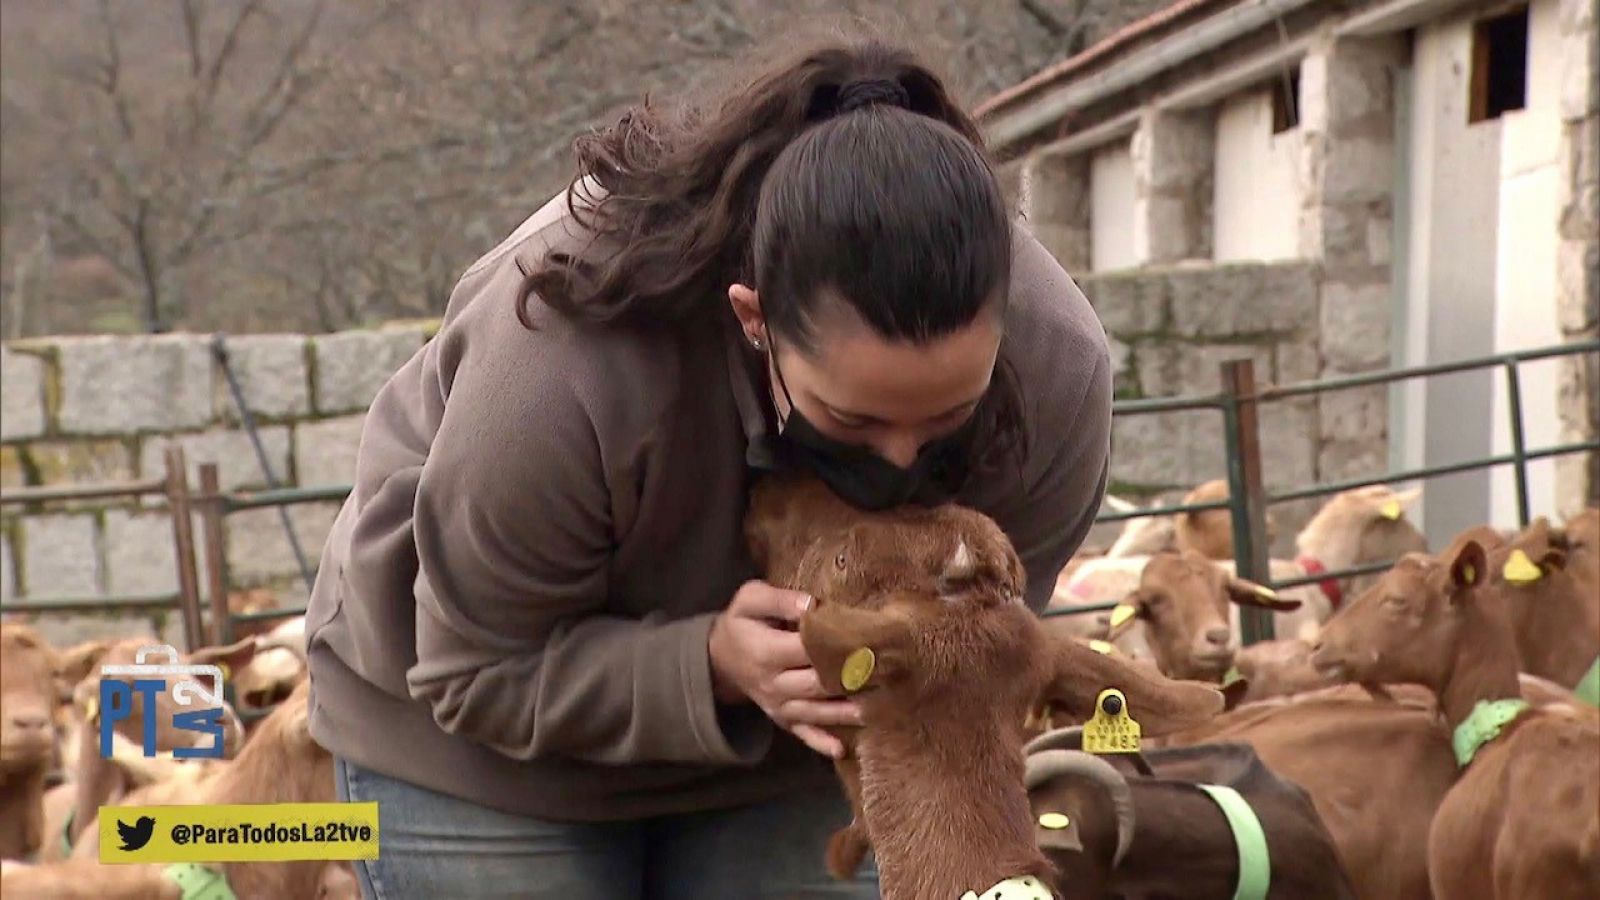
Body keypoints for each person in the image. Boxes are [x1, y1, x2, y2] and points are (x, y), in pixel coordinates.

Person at [306, 34, 1111, 900]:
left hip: (792, 760)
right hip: (476, 755)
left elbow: (971, 657)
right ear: (754, 318)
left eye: (947, 419)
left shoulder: (1056, 368)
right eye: (853, 416)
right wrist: (712, 666)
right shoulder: (560, 360)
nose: (904, 456)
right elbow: (474, 671)